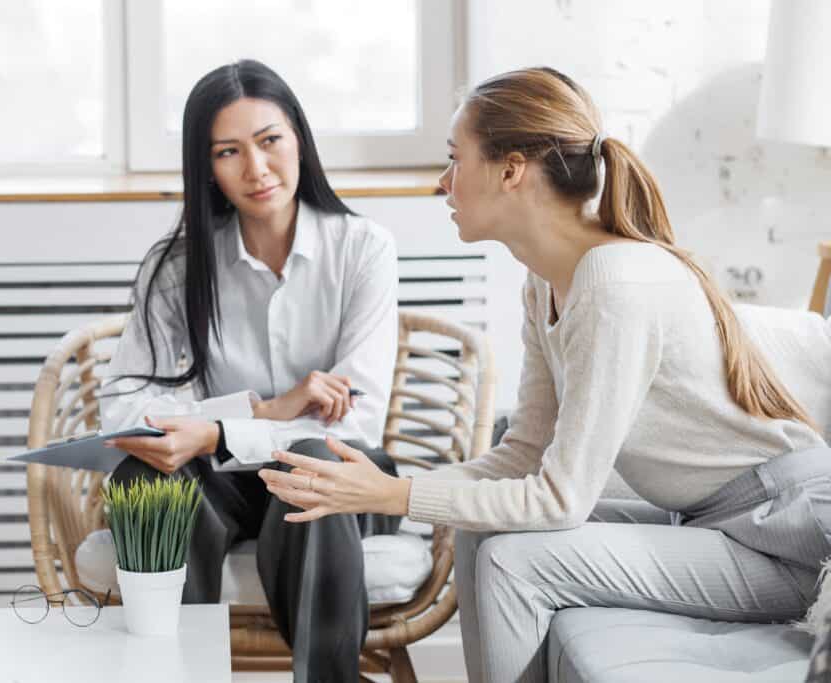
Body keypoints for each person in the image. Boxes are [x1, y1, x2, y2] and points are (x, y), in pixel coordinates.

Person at [259, 66, 831, 683]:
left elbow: (560, 499)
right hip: (708, 523)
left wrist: (396, 495)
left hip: (783, 542)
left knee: (515, 562)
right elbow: (525, 454)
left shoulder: (614, 284)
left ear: (510, 170)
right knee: (486, 534)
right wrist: (386, 496)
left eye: (456, 159)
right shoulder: (545, 283)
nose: (444, 182)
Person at [99, 59, 400, 683]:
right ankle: (169, 673)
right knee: (147, 475)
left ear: (299, 141)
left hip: (345, 478)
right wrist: (263, 411)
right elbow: (123, 407)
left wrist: (217, 430)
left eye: (270, 142)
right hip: (227, 478)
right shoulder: (177, 265)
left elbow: (357, 420)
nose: (256, 169)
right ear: (206, 167)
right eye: (229, 152)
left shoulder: (363, 248)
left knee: (314, 460)